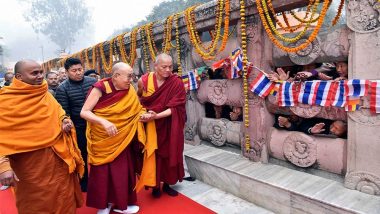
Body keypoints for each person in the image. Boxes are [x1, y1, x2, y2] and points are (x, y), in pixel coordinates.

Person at [0, 59, 84, 213]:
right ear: (19, 77)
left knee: (64, 199)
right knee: (37, 203)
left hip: (59, 159)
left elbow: (59, 113)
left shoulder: (46, 94)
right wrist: (3, 166)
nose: (40, 76)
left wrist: (64, 121)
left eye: (41, 72)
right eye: (34, 73)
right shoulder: (4, 101)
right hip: (30, 166)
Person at [81, 62, 156, 214]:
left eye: (132, 76)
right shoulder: (100, 88)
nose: (131, 79)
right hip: (103, 138)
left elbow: (136, 109)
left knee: (123, 172)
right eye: (128, 76)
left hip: (123, 137)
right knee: (103, 174)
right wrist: (103, 121)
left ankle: (123, 203)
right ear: (115, 76)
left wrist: (145, 114)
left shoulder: (128, 89)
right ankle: (103, 205)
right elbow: (85, 112)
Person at [137, 53, 186, 198]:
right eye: (164, 67)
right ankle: (155, 185)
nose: (168, 70)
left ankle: (168, 184)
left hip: (170, 125)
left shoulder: (176, 82)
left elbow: (177, 108)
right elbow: (139, 100)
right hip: (150, 126)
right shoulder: (143, 81)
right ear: (155, 65)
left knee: (169, 153)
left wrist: (156, 116)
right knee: (153, 154)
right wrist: (144, 114)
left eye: (170, 67)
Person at [55, 57, 97, 192]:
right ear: (67, 72)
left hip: (96, 124)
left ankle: (100, 178)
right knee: (82, 155)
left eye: (80, 69)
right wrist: (66, 122)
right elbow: (64, 111)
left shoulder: (93, 82)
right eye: (74, 71)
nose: (78, 73)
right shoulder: (62, 89)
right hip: (79, 127)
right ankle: (84, 181)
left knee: (99, 152)